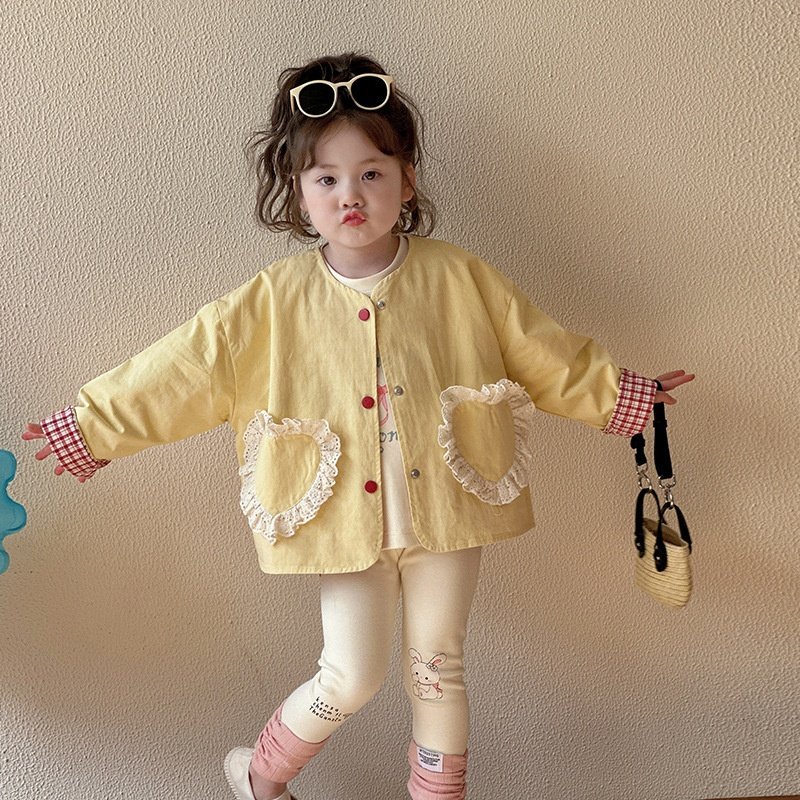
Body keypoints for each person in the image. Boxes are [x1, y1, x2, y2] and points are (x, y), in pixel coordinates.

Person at [23, 53, 694, 800]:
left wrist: (622, 396)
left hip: (450, 511)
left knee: (438, 669)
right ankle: (258, 777)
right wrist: (92, 425)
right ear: (297, 192)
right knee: (351, 673)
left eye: (372, 173)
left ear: (407, 182)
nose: (350, 194)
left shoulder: (459, 278)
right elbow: (187, 367)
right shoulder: (272, 300)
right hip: (339, 518)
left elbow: (541, 350)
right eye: (327, 178)